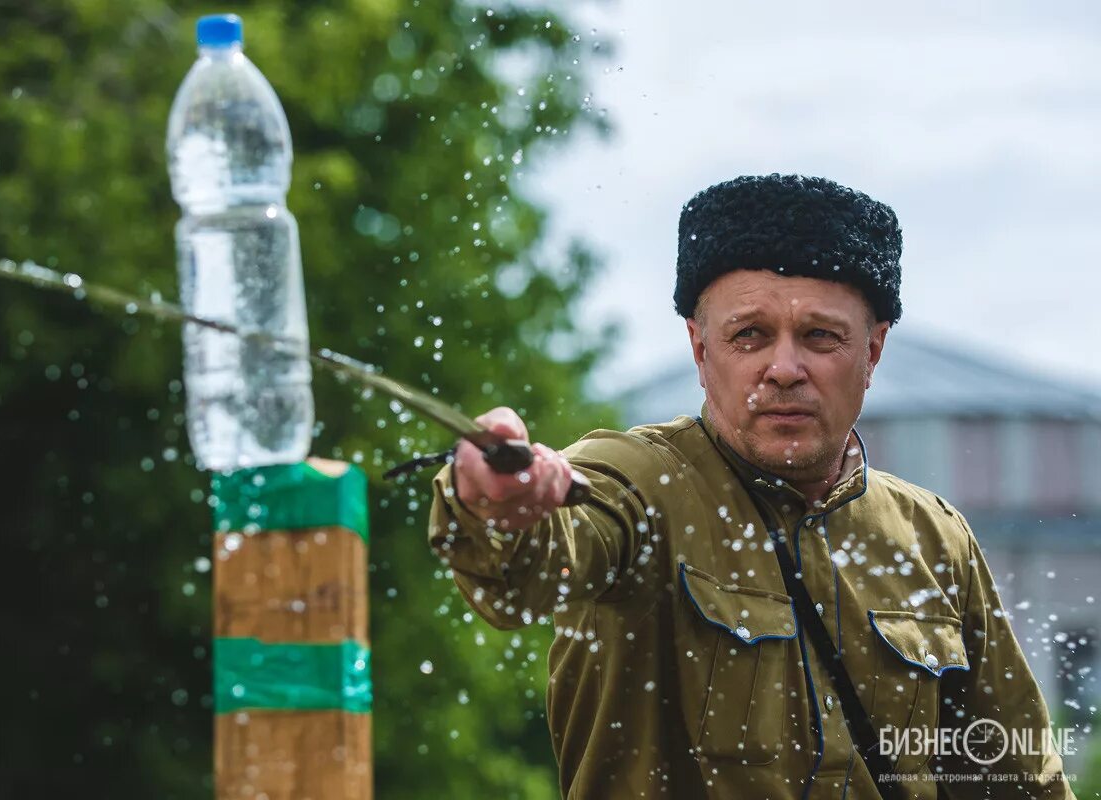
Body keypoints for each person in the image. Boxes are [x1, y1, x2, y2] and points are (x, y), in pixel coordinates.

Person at [426, 175, 1076, 799]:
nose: (785, 368)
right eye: (749, 336)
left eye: (821, 337)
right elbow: (533, 568)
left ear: (873, 352)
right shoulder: (643, 483)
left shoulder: (934, 539)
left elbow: (1016, 781)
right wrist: (498, 505)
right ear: (700, 349)